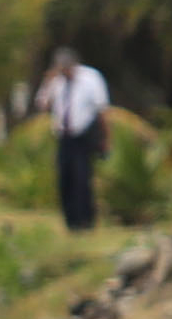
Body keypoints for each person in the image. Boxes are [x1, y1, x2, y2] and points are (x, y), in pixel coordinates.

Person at [34, 46, 114, 232]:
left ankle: (86, 221)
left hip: (84, 135)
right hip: (64, 137)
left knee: (82, 178)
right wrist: (48, 82)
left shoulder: (91, 78)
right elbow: (42, 105)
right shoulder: (56, 81)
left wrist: (106, 139)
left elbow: (102, 111)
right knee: (65, 178)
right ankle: (71, 223)